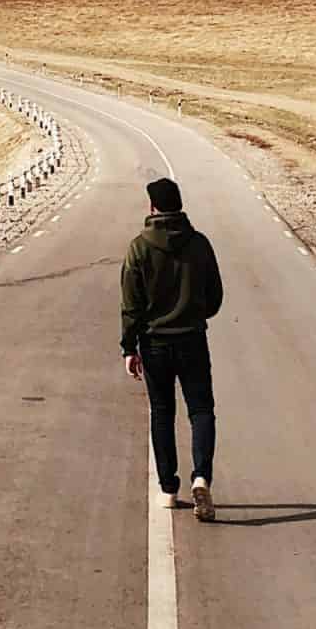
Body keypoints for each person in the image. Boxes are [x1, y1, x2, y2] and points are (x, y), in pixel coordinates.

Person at [121, 176, 223, 520]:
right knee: (201, 410)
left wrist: (129, 347)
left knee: (163, 413)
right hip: (193, 339)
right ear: (179, 204)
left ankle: (168, 489)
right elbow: (215, 298)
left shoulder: (139, 247)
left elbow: (131, 306)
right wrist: (193, 311)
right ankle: (201, 478)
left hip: (155, 344)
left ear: (152, 207)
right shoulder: (200, 244)